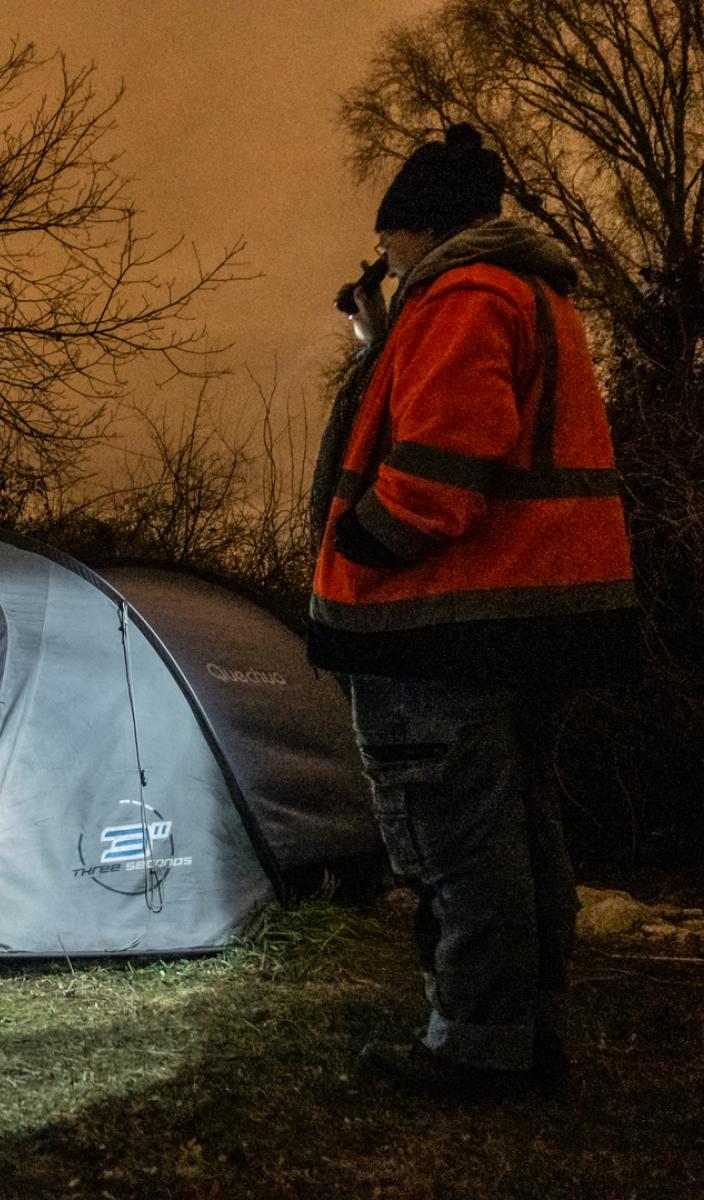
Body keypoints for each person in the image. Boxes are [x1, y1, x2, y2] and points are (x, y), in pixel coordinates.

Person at [310, 124, 640, 1097]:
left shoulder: (462, 295)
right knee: (520, 832)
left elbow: (454, 444)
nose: (385, 265)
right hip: (529, 617)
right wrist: (383, 337)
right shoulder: (531, 297)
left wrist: (373, 536)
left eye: (389, 247)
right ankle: (528, 1035)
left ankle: (473, 1049)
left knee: (456, 838)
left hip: (445, 622)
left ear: (420, 231)